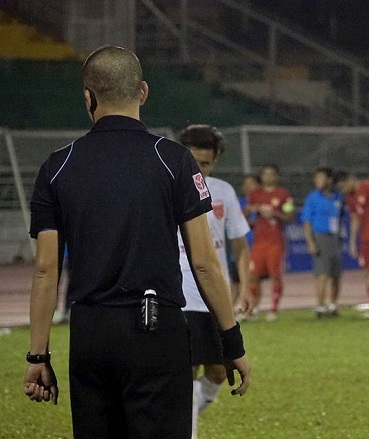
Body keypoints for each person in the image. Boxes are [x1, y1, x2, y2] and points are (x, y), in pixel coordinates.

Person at [23, 45, 250, 439]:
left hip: (90, 330)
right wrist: (231, 342)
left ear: (88, 97)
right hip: (155, 330)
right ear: (142, 92)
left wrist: (38, 354)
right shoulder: (175, 159)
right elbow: (204, 262)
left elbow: (46, 269)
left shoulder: (56, 166)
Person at [177, 124, 252, 439]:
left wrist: (244, 287)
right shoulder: (169, 189)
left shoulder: (223, 192)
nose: (199, 169)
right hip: (180, 296)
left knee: (219, 371)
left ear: (215, 161)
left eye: (205, 163)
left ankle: (178, 422)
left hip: (214, 296)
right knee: (186, 373)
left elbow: (239, 245)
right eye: (193, 161)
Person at [335, 170, 369, 318]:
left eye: (344, 186)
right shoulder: (349, 197)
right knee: (366, 269)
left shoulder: (368, 187)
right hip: (364, 235)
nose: (343, 190)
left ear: (350, 179)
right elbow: (355, 219)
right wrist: (352, 242)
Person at [245, 164, 295, 321]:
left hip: (275, 242)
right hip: (259, 242)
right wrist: (252, 210)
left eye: (271, 174)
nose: (268, 177)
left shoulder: (283, 195)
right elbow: (245, 213)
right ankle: (253, 309)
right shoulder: (255, 194)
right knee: (253, 276)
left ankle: (274, 309)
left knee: (275, 275)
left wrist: (276, 214)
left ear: (277, 176)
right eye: (265, 174)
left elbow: (290, 215)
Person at [300, 167, 346, 317]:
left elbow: (342, 217)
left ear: (329, 180)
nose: (317, 181)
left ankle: (332, 305)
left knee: (336, 275)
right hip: (320, 237)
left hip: (335, 238)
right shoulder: (313, 198)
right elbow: (306, 222)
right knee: (322, 275)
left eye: (320, 178)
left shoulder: (338, 197)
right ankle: (320, 307)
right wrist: (311, 242)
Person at [229, 173, 261, 306]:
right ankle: (229, 310)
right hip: (237, 248)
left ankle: (252, 308)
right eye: (245, 184)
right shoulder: (238, 203)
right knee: (235, 281)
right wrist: (247, 211)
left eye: (251, 184)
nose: (248, 187)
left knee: (253, 279)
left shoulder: (262, 203)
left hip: (255, 247)